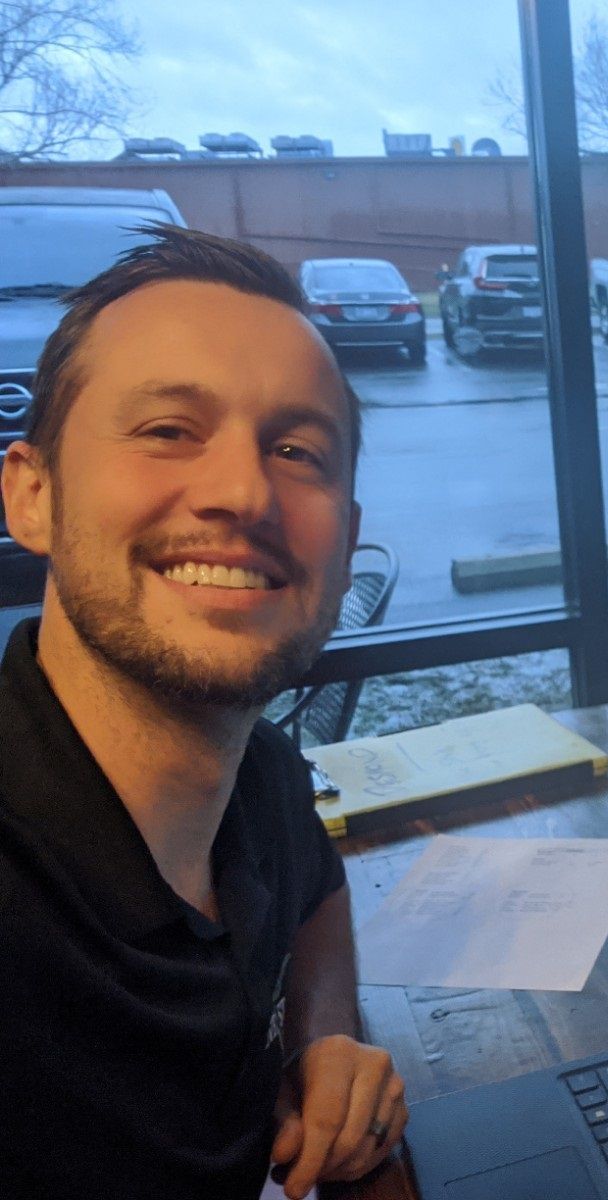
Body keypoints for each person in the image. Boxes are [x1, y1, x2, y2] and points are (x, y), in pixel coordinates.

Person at [0, 225, 405, 1199]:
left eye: (297, 449)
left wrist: (326, 1034)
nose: (241, 492)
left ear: (346, 544)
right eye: (168, 430)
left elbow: (315, 894)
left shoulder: (254, 769)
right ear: (33, 496)